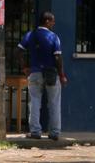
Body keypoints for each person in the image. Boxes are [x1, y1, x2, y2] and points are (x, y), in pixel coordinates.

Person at [16, 11, 67, 141]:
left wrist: (24, 67)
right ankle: (55, 132)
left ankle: (35, 132)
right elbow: (58, 57)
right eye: (53, 21)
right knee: (54, 102)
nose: (54, 23)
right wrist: (62, 75)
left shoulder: (30, 35)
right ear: (47, 21)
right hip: (51, 73)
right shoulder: (54, 37)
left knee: (34, 102)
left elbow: (19, 51)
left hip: (35, 73)